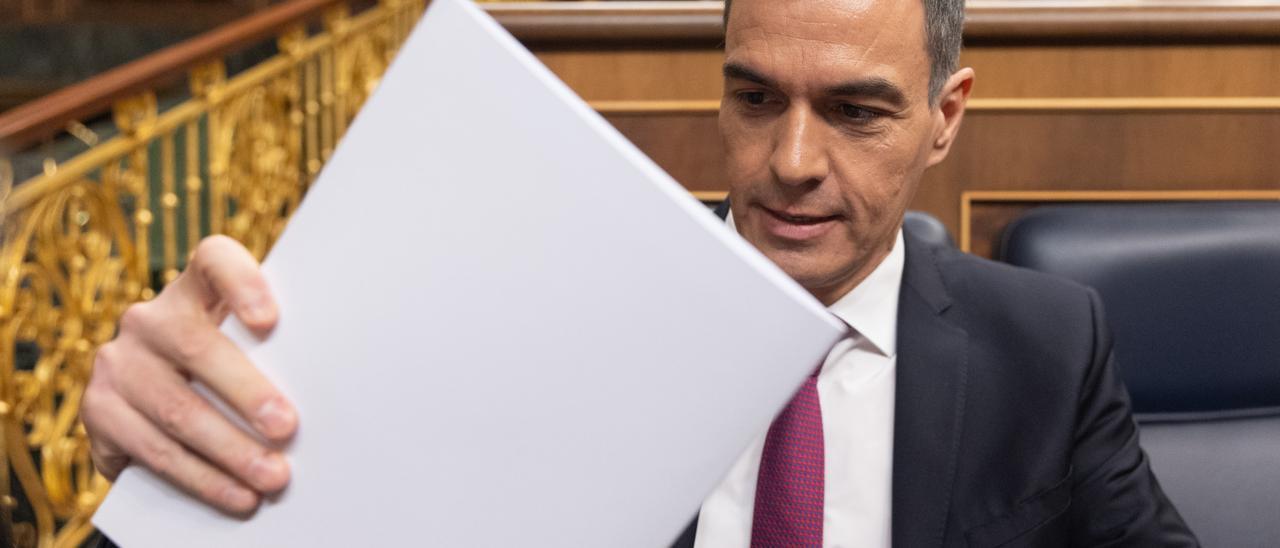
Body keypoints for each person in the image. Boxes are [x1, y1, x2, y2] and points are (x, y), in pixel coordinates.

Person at [83, 0, 1199, 545]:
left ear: (944, 117)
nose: (791, 163)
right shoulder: (536, 301)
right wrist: (151, 453)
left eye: (855, 111)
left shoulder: (1048, 345)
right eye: (753, 98)